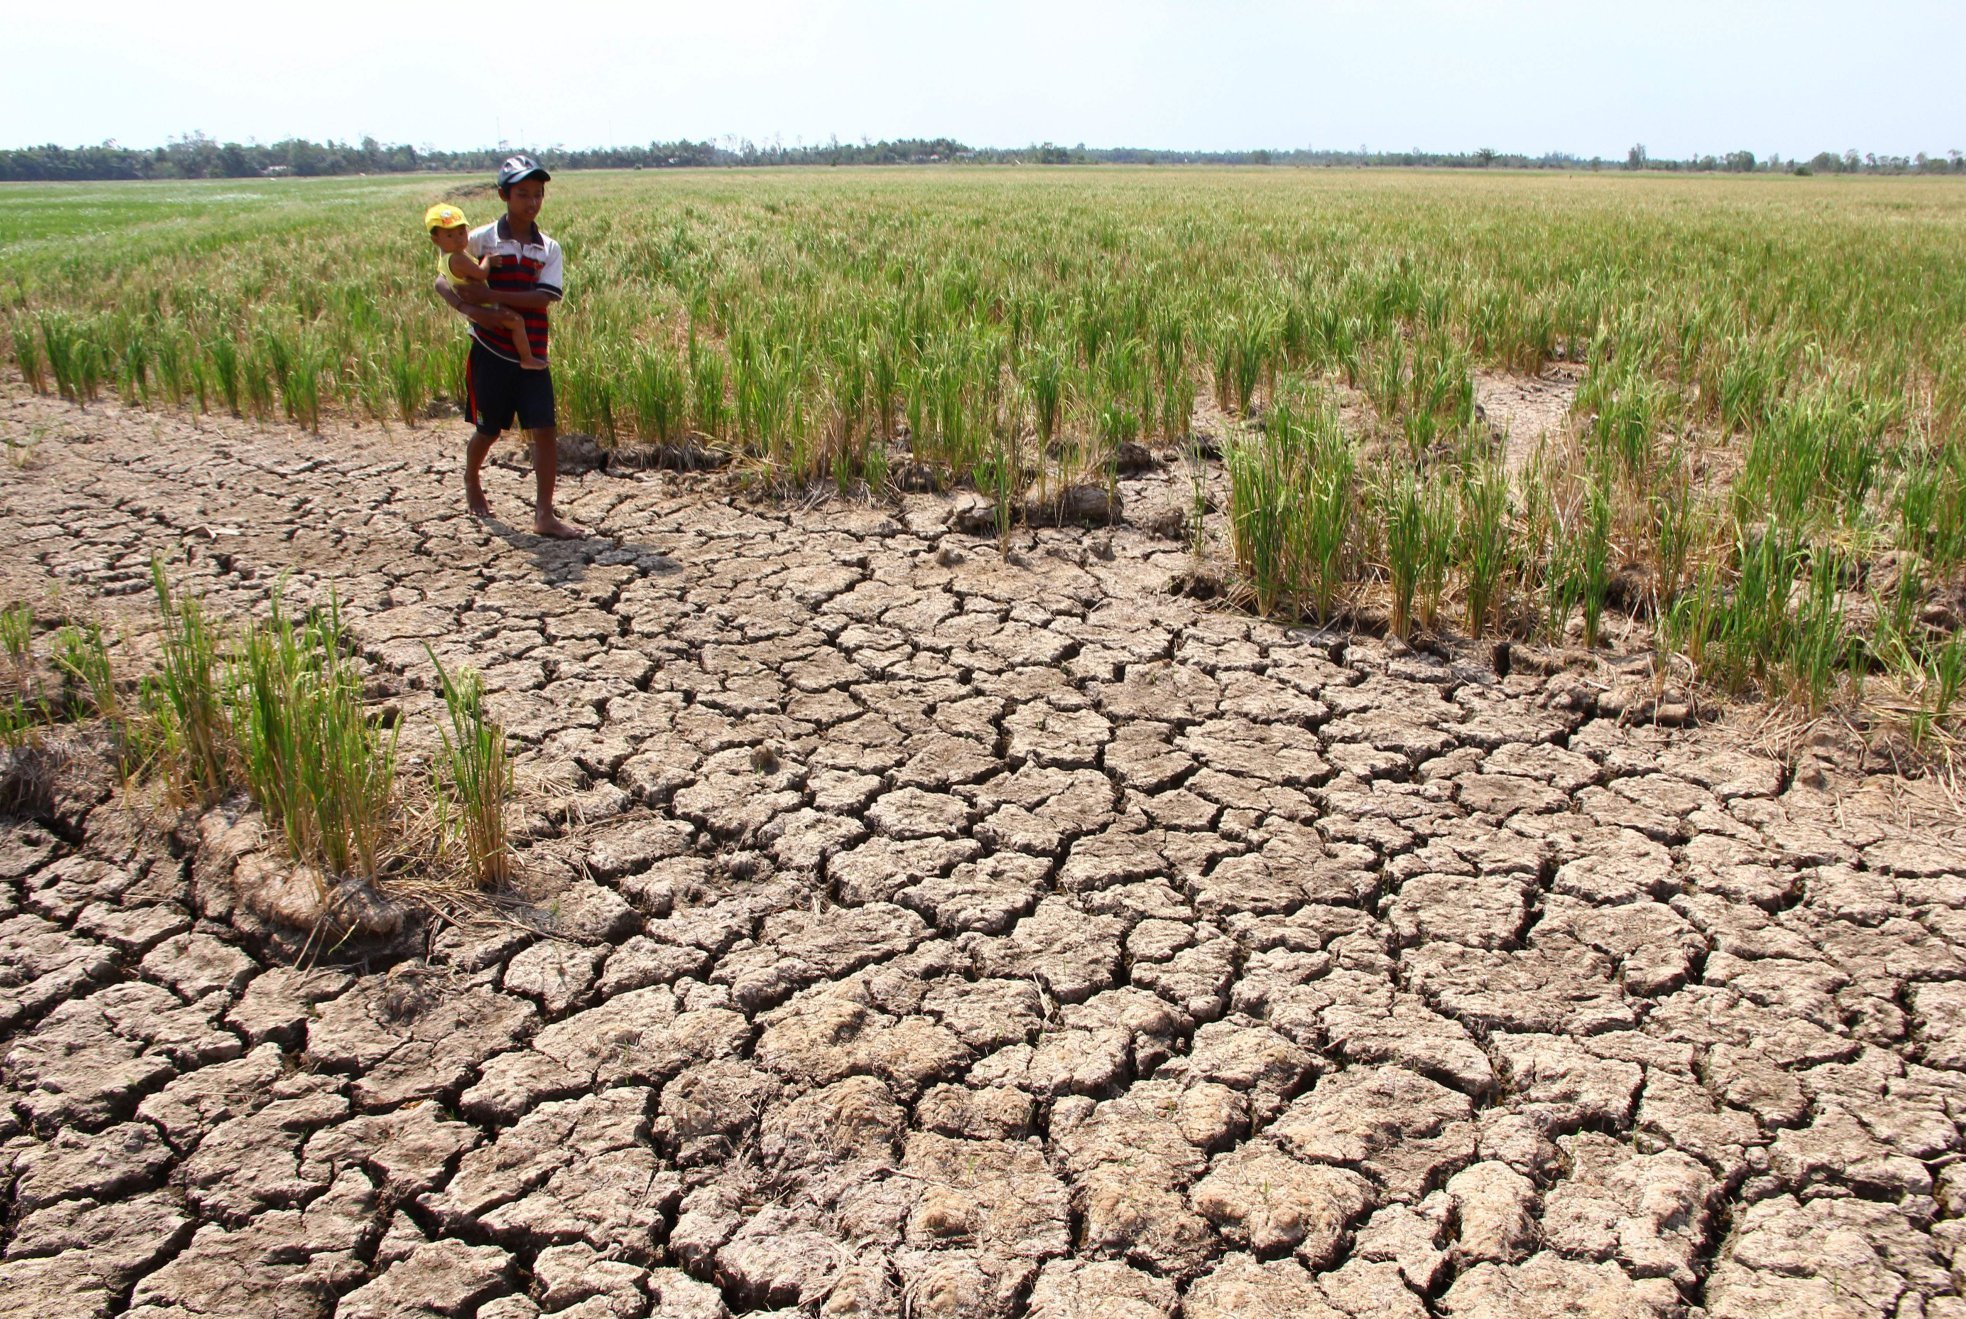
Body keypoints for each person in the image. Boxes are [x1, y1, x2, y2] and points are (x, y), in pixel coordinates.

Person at [432, 155, 585, 538]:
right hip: (491, 349)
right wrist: (468, 307)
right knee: (489, 429)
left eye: (538, 194)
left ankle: (544, 514)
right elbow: (442, 280)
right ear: (504, 195)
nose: (531, 202)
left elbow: (544, 298)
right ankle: (471, 478)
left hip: (533, 353)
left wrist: (489, 293)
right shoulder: (481, 239)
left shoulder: (548, 248)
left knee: (545, 428)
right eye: (522, 194)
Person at [425, 203, 545, 370]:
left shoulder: (445, 258)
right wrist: (488, 261)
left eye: (461, 232)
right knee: (517, 322)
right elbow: (481, 274)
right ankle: (527, 358)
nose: (459, 239)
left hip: (476, 307)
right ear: (436, 240)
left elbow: (442, 280)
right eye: (450, 235)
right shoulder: (458, 258)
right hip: (485, 305)